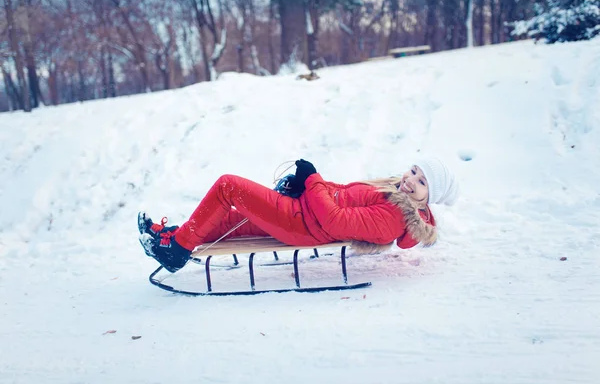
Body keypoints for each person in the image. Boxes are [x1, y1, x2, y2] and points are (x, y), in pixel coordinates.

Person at [138, 158, 459, 273]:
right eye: (414, 171)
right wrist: (304, 186)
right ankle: (172, 236)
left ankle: (177, 252)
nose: (410, 181)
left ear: (429, 199)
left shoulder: (394, 218)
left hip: (303, 224)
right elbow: (339, 193)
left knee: (228, 187)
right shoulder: (392, 193)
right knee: (235, 219)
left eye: (421, 183)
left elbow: (334, 221)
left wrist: (312, 178)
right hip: (303, 210)